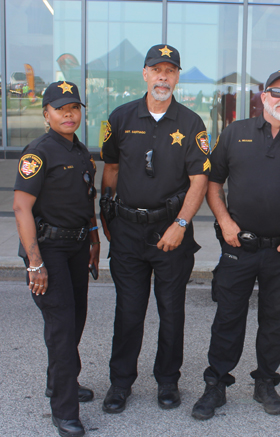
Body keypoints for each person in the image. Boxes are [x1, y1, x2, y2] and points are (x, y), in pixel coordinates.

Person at [191, 69, 280, 420]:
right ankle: (216, 385)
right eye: (276, 92)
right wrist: (225, 222)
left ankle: (265, 383)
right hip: (237, 246)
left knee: (275, 321)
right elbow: (214, 182)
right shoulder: (235, 132)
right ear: (263, 96)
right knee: (228, 318)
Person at [100, 44, 209, 414]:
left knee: (171, 311)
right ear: (144, 74)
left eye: (170, 70)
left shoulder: (192, 123)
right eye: (156, 69)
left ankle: (167, 380)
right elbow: (110, 170)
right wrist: (107, 219)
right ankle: (120, 383)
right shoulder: (119, 117)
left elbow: (199, 181)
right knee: (128, 311)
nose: (163, 76)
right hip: (128, 231)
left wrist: (180, 224)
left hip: (170, 232)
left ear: (177, 77)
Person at [13, 81, 99, 437]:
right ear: (46, 113)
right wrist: (35, 262)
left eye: (75, 108)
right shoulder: (38, 152)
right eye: (61, 108)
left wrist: (94, 239)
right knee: (62, 328)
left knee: (75, 320)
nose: (69, 114)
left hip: (77, 247)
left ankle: (58, 380)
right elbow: (21, 207)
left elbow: (86, 198)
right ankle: (64, 410)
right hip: (47, 249)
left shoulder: (80, 151)